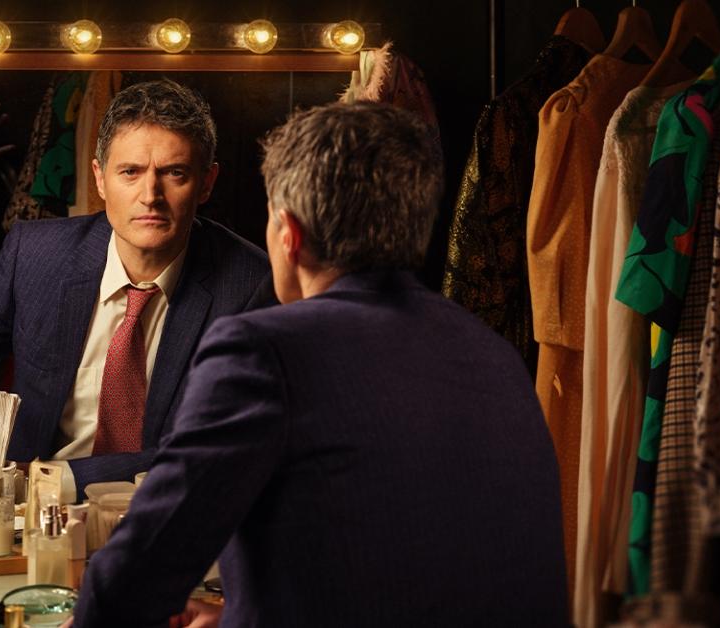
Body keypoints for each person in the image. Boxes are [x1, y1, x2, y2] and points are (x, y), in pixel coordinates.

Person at [73, 102, 569, 627]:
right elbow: (410, 557)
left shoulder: (264, 351)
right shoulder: (491, 352)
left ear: (289, 234)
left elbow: (140, 571)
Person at [0, 79, 271, 501]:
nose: (150, 196)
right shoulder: (33, 250)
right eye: (130, 172)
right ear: (99, 178)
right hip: (20, 519)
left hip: (171, 508)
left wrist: (51, 479)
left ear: (206, 183)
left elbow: (216, 446)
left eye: (174, 173)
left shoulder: (251, 284)